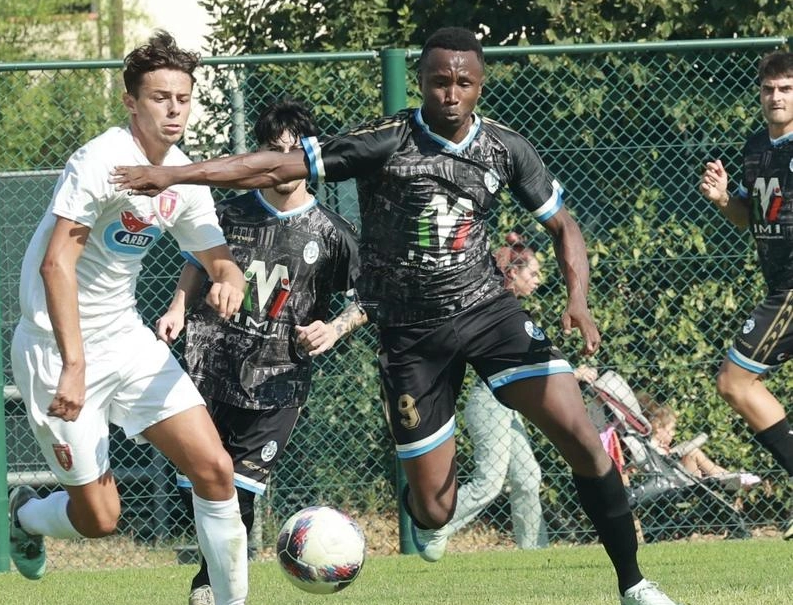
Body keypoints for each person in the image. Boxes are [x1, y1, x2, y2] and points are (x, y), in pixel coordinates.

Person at [112, 26, 683, 605]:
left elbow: (563, 226)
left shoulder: (507, 149)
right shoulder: (386, 140)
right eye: (440, 81)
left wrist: (577, 301)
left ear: (481, 83)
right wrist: (173, 174)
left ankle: (634, 583)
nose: (451, 93)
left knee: (580, 436)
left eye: (464, 81)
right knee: (435, 511)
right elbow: (273, 168)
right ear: (423, 82)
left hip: (489, 313)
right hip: (412, 338)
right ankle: (430, 487)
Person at [6, 31, 249, 605]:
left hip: (124, 337)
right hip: (54, 347)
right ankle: (28, 515)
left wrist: (230, 281)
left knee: (215, 469)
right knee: (100, 517)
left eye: (183, 98)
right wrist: (73, 364)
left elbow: (219, 259)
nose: (173, 109)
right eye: (160, 97)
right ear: (131, 101)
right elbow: (55, 266)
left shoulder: (184, 176)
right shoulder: (100, 161)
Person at [155, 100, 367, 605]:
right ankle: (218, 578)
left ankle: (209, 584)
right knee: (205, 486)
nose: (285, 161)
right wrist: (178, 308)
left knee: (240, 492)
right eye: (275, 150)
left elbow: (368, 297)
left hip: (279, 380)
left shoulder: (332, 233)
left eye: (295, 152)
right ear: (261, 154)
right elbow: (195, 261)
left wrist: (334, 328)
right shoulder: (229, 212)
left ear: (310, 157)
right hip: (211, 366)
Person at [419, 233, 598, 560]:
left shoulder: (510, 307)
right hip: (488, 403)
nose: (539, 280)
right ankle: (431, 523)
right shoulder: (489, 302)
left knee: (529, 478)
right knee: (489, 482)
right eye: (533, 273)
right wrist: (572, 373)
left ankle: (533, 554)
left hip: (509, 406)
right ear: (511, 273)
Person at [699, 50, 793, 541]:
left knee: (735, 381)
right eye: (768, 89)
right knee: (736, 384)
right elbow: (752, 219)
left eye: (786, 88)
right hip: (778, 285)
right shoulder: (757, 147)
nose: (776, 97)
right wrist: (721, 201)